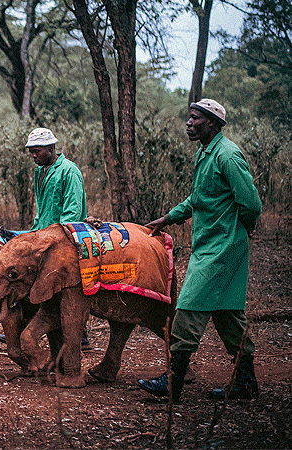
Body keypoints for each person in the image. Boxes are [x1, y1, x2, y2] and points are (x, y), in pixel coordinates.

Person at [137, 99, 262, 401]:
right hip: (210, 244)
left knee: (190, 305)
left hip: (223, 248)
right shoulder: (205, 154)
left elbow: (251, 204)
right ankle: (246, 385)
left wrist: (242, 231)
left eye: (196, 119)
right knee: (228, 314)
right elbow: (198, 199)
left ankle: (173, 383)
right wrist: (168, 218)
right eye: (189, 118)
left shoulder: (228, 156)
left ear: (213, 124)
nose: (189, 123)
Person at [0, 127, 91, 348]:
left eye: (37, 151)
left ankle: (79, 335)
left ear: (51, 148)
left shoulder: (70, 171)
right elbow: (41, 214)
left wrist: (46, 240)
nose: (33, 155)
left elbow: (72, 214)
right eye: (31, 151)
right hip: (44, 236)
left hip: (63, 241)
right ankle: (27, 326)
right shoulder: (40, 172)